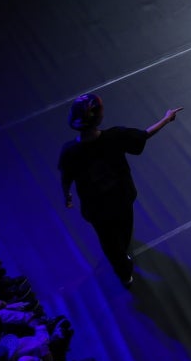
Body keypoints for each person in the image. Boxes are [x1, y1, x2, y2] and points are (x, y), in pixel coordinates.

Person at [58, 94, 181, 287]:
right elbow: (144, 135)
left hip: (96, 209)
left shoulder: (70, 151)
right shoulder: (115, 136)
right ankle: (123, 257)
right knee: (123, 234)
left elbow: (66, 176)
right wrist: (166, 119)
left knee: (109, 243)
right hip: (121, 200)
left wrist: (67, 195)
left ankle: (124, 273)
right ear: (99, 117)